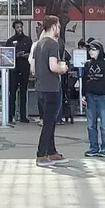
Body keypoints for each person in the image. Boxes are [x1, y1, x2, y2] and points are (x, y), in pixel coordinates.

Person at [32, 16, 68, 166]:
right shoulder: (53, 44)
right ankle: (42, 154)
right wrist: (63, 68)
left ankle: (52, 152)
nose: (59, 29)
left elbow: (33, 68)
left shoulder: (37, 45)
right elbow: (53, 66)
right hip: (51, 88)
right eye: (59, 26)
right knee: (49, 123)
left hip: (40, 87)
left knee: (49, 121)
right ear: (53, 27)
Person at [82, 39, 105, 159]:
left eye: (94, 49)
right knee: (91, 124)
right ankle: (93, 148)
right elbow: (85, 80)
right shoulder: (87, 64)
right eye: (90, 49)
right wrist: (83, 95)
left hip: (103, 97)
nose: (91, 52)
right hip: (90, 97)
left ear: (100, 51)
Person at [9, 20, 31, 125]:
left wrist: (27, 56)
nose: (19, 29)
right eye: (17, 27)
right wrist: (16, 55)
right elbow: (7, 55)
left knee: (23, 92)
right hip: (14, 70)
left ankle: (23, 115)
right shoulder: (11, 41)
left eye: (21, 27)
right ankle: (10, 115)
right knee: (12, 93)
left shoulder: (27, 40)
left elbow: (32, 53)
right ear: (14, 28)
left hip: (24, 68)